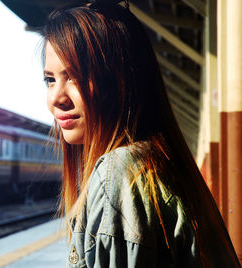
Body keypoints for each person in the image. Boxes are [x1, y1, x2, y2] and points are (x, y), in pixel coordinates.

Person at [41, 0, 240, 267]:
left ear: (118, 80)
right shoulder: (156, 161)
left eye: (75, 76)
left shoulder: (118, 176)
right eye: (50, 80)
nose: (56, 98)